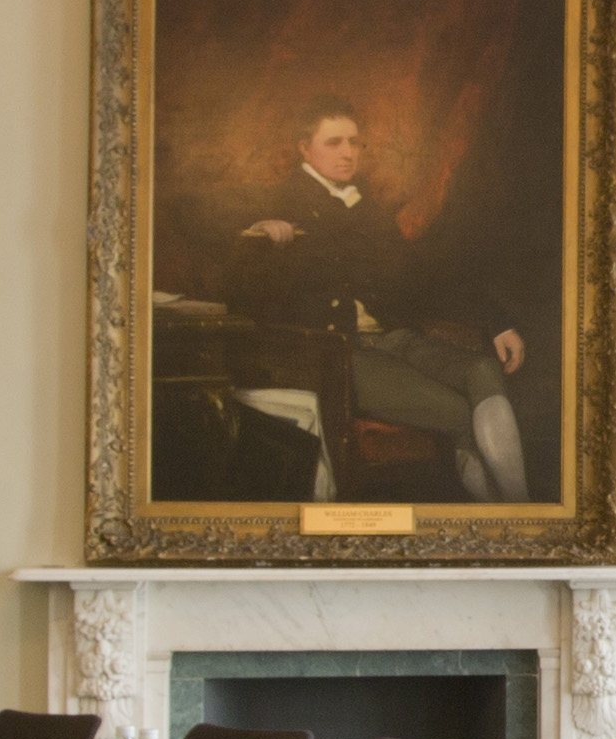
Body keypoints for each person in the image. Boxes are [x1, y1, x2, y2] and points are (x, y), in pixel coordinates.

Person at [224, 96, 535, 501]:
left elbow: (424, 277)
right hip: (339, 353)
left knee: (482, 370)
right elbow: (209, 236)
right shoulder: (280, 202)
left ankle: (524, 509)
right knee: (460, 415)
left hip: (395, 339)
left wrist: (497, 322)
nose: (348, 153)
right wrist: (259, 227)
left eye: (354, 142)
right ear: (305, 147)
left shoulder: (365, 207)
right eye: (334, 142)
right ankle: (512, 520)